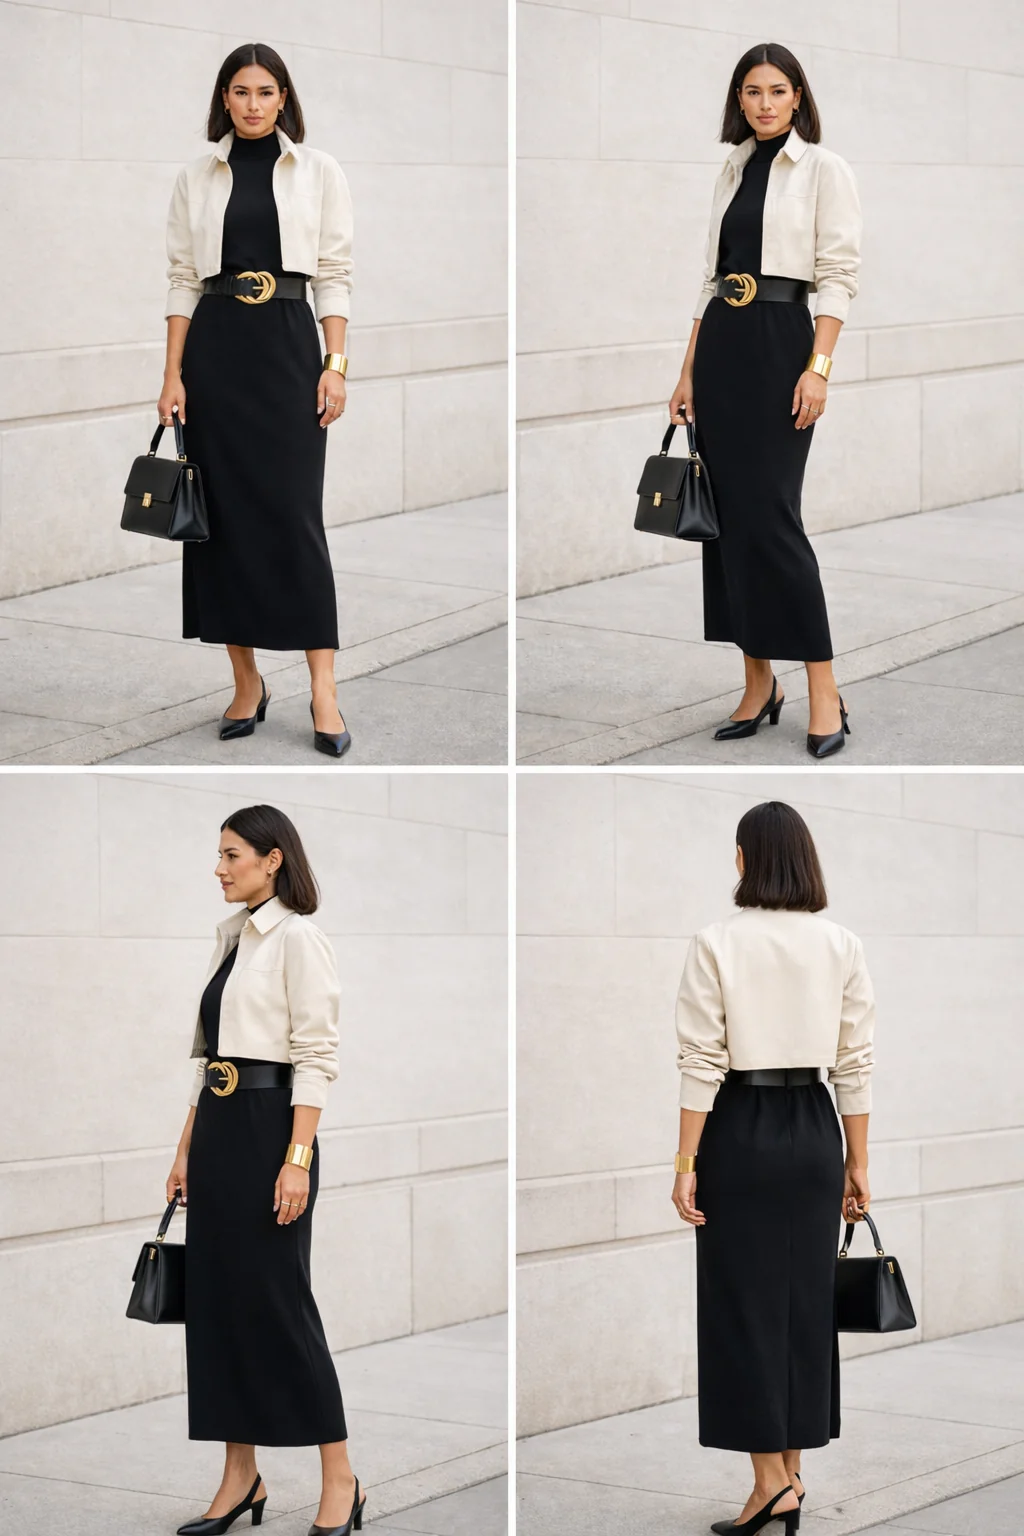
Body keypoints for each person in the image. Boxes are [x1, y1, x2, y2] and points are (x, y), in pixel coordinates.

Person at [671, 801, 875, 1533]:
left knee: (740, 1306)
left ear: (744, 859)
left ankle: (771, 1486)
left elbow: (701, 1059)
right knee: (801, 1306)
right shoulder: (841, 943)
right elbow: (854, 1062)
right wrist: (858, 1160)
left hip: (741, 1129)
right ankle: (787, 1474)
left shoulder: (718, 941)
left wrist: (685, 1160)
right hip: (818, 1128)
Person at [166, 805, 366, 1536]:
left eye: (231, 855)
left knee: (281, 1309)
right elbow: (208, 1061)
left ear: (272, 859)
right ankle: (240, 1476)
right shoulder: (231, 939)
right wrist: (185, 1149)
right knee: (217, 1310)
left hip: (270, 1133)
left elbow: (317, 1056)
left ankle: (340, 1477)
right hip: (219, 1136)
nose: (218, 868)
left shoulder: (298, 939)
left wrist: (297, 1160)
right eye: (218, 855)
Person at [157, 43, 354, 760]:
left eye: (265, 91)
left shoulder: (318, 170)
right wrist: (173, 374)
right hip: (215, 352)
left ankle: (322, 689)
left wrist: (335, 365)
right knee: (222, 524)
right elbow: (182, 277)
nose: (251, 103)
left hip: (287, 346)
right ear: (224, 99)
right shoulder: (195, 176)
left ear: (284, 100)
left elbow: (334, 272)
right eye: (239, 91)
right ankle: (246, 682)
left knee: (295, 517)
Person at [669, 44, 862, 760]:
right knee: (726, 525)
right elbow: (710, 279)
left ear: (799, 97)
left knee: (774, 521)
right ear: (739, 99)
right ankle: (757, 683)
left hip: (783, 343)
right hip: (722, 346)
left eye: (778, 90)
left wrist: (818, 368)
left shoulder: (822, 169)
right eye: (752, 91)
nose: (764, 103)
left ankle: (822, 687)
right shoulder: (732, 167)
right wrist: (687, 370)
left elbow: (839, 275)